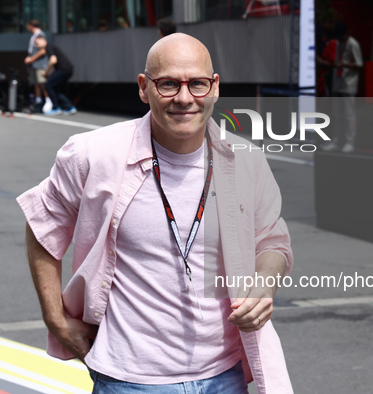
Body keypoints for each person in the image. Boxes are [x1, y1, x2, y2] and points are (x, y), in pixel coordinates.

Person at [17, 33, 294, 393]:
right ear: (143, 88)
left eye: (197, 83)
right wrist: (54, 318)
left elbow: (273, 240)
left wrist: (263, 286)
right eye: (168, 84)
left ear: (214, 87)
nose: (184, 98)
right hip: (129, 379)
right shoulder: (93, 154)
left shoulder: (245, 159)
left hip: (225, 375)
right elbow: (42, 225)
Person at [321, 22, 362, 153]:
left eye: (341, 36)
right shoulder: (339, 43)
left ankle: (350, 142)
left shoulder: (352, 44)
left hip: (348, 83)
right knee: (337, 113)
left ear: (347, 34)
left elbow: (359, 64)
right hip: (337, 81)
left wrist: (344, 64)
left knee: (349, 114)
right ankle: (337, 141)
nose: (339, 38)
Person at [34, 36, 76, 116]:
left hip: (64, 69)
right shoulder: (50, 47)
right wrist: (48, 74)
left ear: (43, 40)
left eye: (37, 43)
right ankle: (69, 107)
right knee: (55, 88)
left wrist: (46, 70)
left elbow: (53, 60)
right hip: (67, 69)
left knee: (48, 86)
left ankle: (56, 108)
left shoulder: (48, 46)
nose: (37, 46)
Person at [24, 20, 52, 112]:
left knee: (42, 83)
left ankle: (48, 101)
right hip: (34, 64)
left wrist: (32, 58)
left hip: (40, 63)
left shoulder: (41, 35)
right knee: (36, 83)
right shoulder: (34, 36)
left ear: (30, 25)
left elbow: (43, 50)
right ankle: (38, 101)